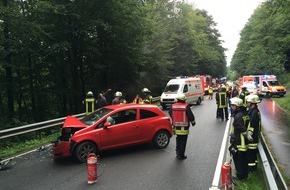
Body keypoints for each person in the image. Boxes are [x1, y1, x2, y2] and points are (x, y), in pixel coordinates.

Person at [169, 94, 196, 160]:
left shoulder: (172, 106)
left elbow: (170, 113)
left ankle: (177, 153)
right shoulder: (186, 106)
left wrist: (175, 118)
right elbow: (190, 116)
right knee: (183, 141)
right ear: (184, 99)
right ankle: (181, 155)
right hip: (184, 127)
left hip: (176, 126)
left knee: (178, 139)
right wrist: (193, 123)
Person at [228, 97, 250, 180]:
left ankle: (240, 175)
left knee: (238, 159)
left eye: (233, 106)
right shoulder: (245, 114)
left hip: (239, 142)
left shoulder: (238, 116)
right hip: (244, 142)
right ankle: (245, 174)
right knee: (244, 159)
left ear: (238, 106)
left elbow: (241, 128)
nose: (232, 107)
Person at [245, 94, 261, 172]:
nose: (247, 103)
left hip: (252, 136)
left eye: (249, 102)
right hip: (253, 135)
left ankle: (251, 168)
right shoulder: (253, 111)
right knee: (252, 153)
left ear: (253, 103)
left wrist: (249, 133)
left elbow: (252, 124)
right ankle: (253, 167)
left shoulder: (254, 113)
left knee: (251, 153)